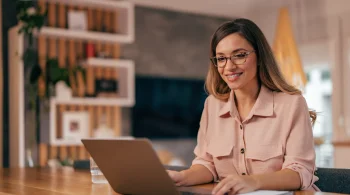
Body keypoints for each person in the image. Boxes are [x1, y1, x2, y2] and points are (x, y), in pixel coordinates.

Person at [167, 18, 319, 195]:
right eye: (221, 58)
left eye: (239, 55)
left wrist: (253, 182)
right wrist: (182, 177)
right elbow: (207, 164)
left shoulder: (291, 104)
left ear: (260, 56)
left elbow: (300, 172)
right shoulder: (212, 105)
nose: (229, 67)